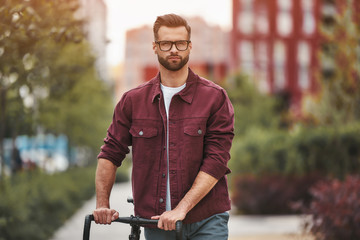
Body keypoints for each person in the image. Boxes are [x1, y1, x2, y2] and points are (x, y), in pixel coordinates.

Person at [93, 13, 234, 240]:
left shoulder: (215, 98)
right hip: (155, 223)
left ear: (189, 46)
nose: (173, 49)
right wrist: (102, 204)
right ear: (155, 47)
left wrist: (181, 209)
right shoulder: (132, 101)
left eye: (180, 43)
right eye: (166, 43)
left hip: (206, 220)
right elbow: (110, 153)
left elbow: (217, 160)